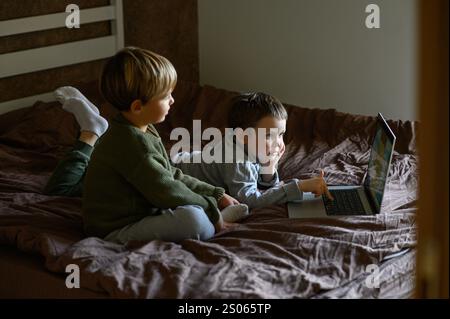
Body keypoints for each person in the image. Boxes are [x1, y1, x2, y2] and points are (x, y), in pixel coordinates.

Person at [44, 47, 247, 244]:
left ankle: (211, 212)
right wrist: (211, 209)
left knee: (192, 208)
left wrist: (215, 194)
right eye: (166, 95)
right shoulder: (133, 144)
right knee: (195, 221)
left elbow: (171, 175)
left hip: (144, 209)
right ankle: (214, 217)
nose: (173, 100)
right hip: (114, 229)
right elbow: (167, 191)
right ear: (138, 107)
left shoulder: (142, 128)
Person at [172, 92, 333, 209]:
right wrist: (299, 187)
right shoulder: (237, 159)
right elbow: (250, 200)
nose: (279, 143)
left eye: (281, 134)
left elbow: (265, 186)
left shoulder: (249, 145)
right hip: (176, 173)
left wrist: (268, 167)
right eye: (269, 136)